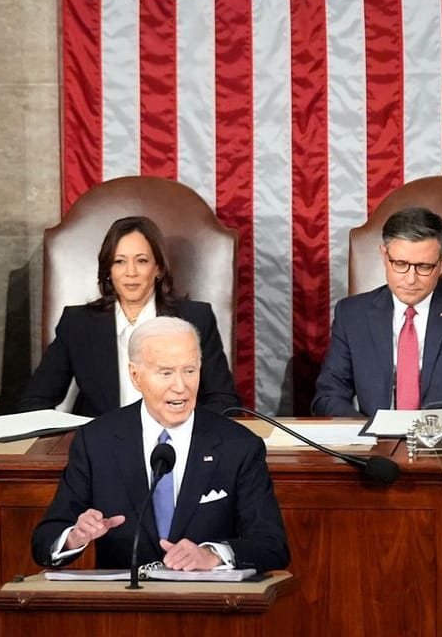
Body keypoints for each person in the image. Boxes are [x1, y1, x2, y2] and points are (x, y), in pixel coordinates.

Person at [32, 316, 290, 573]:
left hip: (208, 605)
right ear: (136, 376)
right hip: (123, 607)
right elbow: (45, 542)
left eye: (190, 371)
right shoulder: (97, 441)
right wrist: (75, 536)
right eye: (166, 373)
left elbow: (272, 545)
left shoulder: (238, 445)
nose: (181, 386)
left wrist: (213, 555)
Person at [15, 214, 241, 418]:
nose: (130, 272)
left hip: (176, 442)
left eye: (141, 261)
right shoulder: (78, 324)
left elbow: (224, 401)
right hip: (102, 448)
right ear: (109, 271)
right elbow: (34, 402)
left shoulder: (195, 318)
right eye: (119, 261)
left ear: (158, 268)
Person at [312, 206, 442, 417]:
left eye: (424, 267)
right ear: (384, 256)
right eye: (400, 263)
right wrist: (368, 433)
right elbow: (328, 397)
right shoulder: (352, 314)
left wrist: (439, 433)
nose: (410, 279)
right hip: (374, 444)